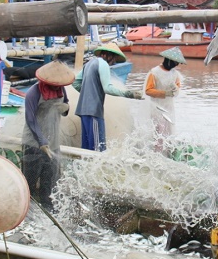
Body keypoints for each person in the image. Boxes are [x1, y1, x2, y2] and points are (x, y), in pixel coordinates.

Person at [21, 60, 74, 210]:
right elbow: (30, 119)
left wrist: (65, 107)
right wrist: (41, 142)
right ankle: (26, 210)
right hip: (34, 143)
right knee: (29, 181)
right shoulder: (34, 92)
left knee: (49, 182)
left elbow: (66, 108)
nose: (57, 86)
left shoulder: (61, 91)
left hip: (54, 143)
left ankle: (47, 210)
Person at [72, 42, 137, 151]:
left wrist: (88, 93)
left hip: (83, 112)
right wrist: (127, 93)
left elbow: (75, 83)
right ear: (108, 55)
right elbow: (107, 88)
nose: (114, 62)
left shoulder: (88, 64)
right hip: (94, 112)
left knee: (86, 148)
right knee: (98, 148)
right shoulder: (103, 64)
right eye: (114, 58)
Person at [143, 46, 185, 150]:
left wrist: (175, 90)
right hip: (157, 108)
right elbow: (148, 90)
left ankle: (167, 154)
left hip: (169, 108)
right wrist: (165, 93)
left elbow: (177, 90)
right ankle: (156, 155)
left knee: (168, 132)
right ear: (169, 61)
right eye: (175, 62)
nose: (176, 65)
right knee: (159, 134)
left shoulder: (175, 74)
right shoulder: (154, 72)